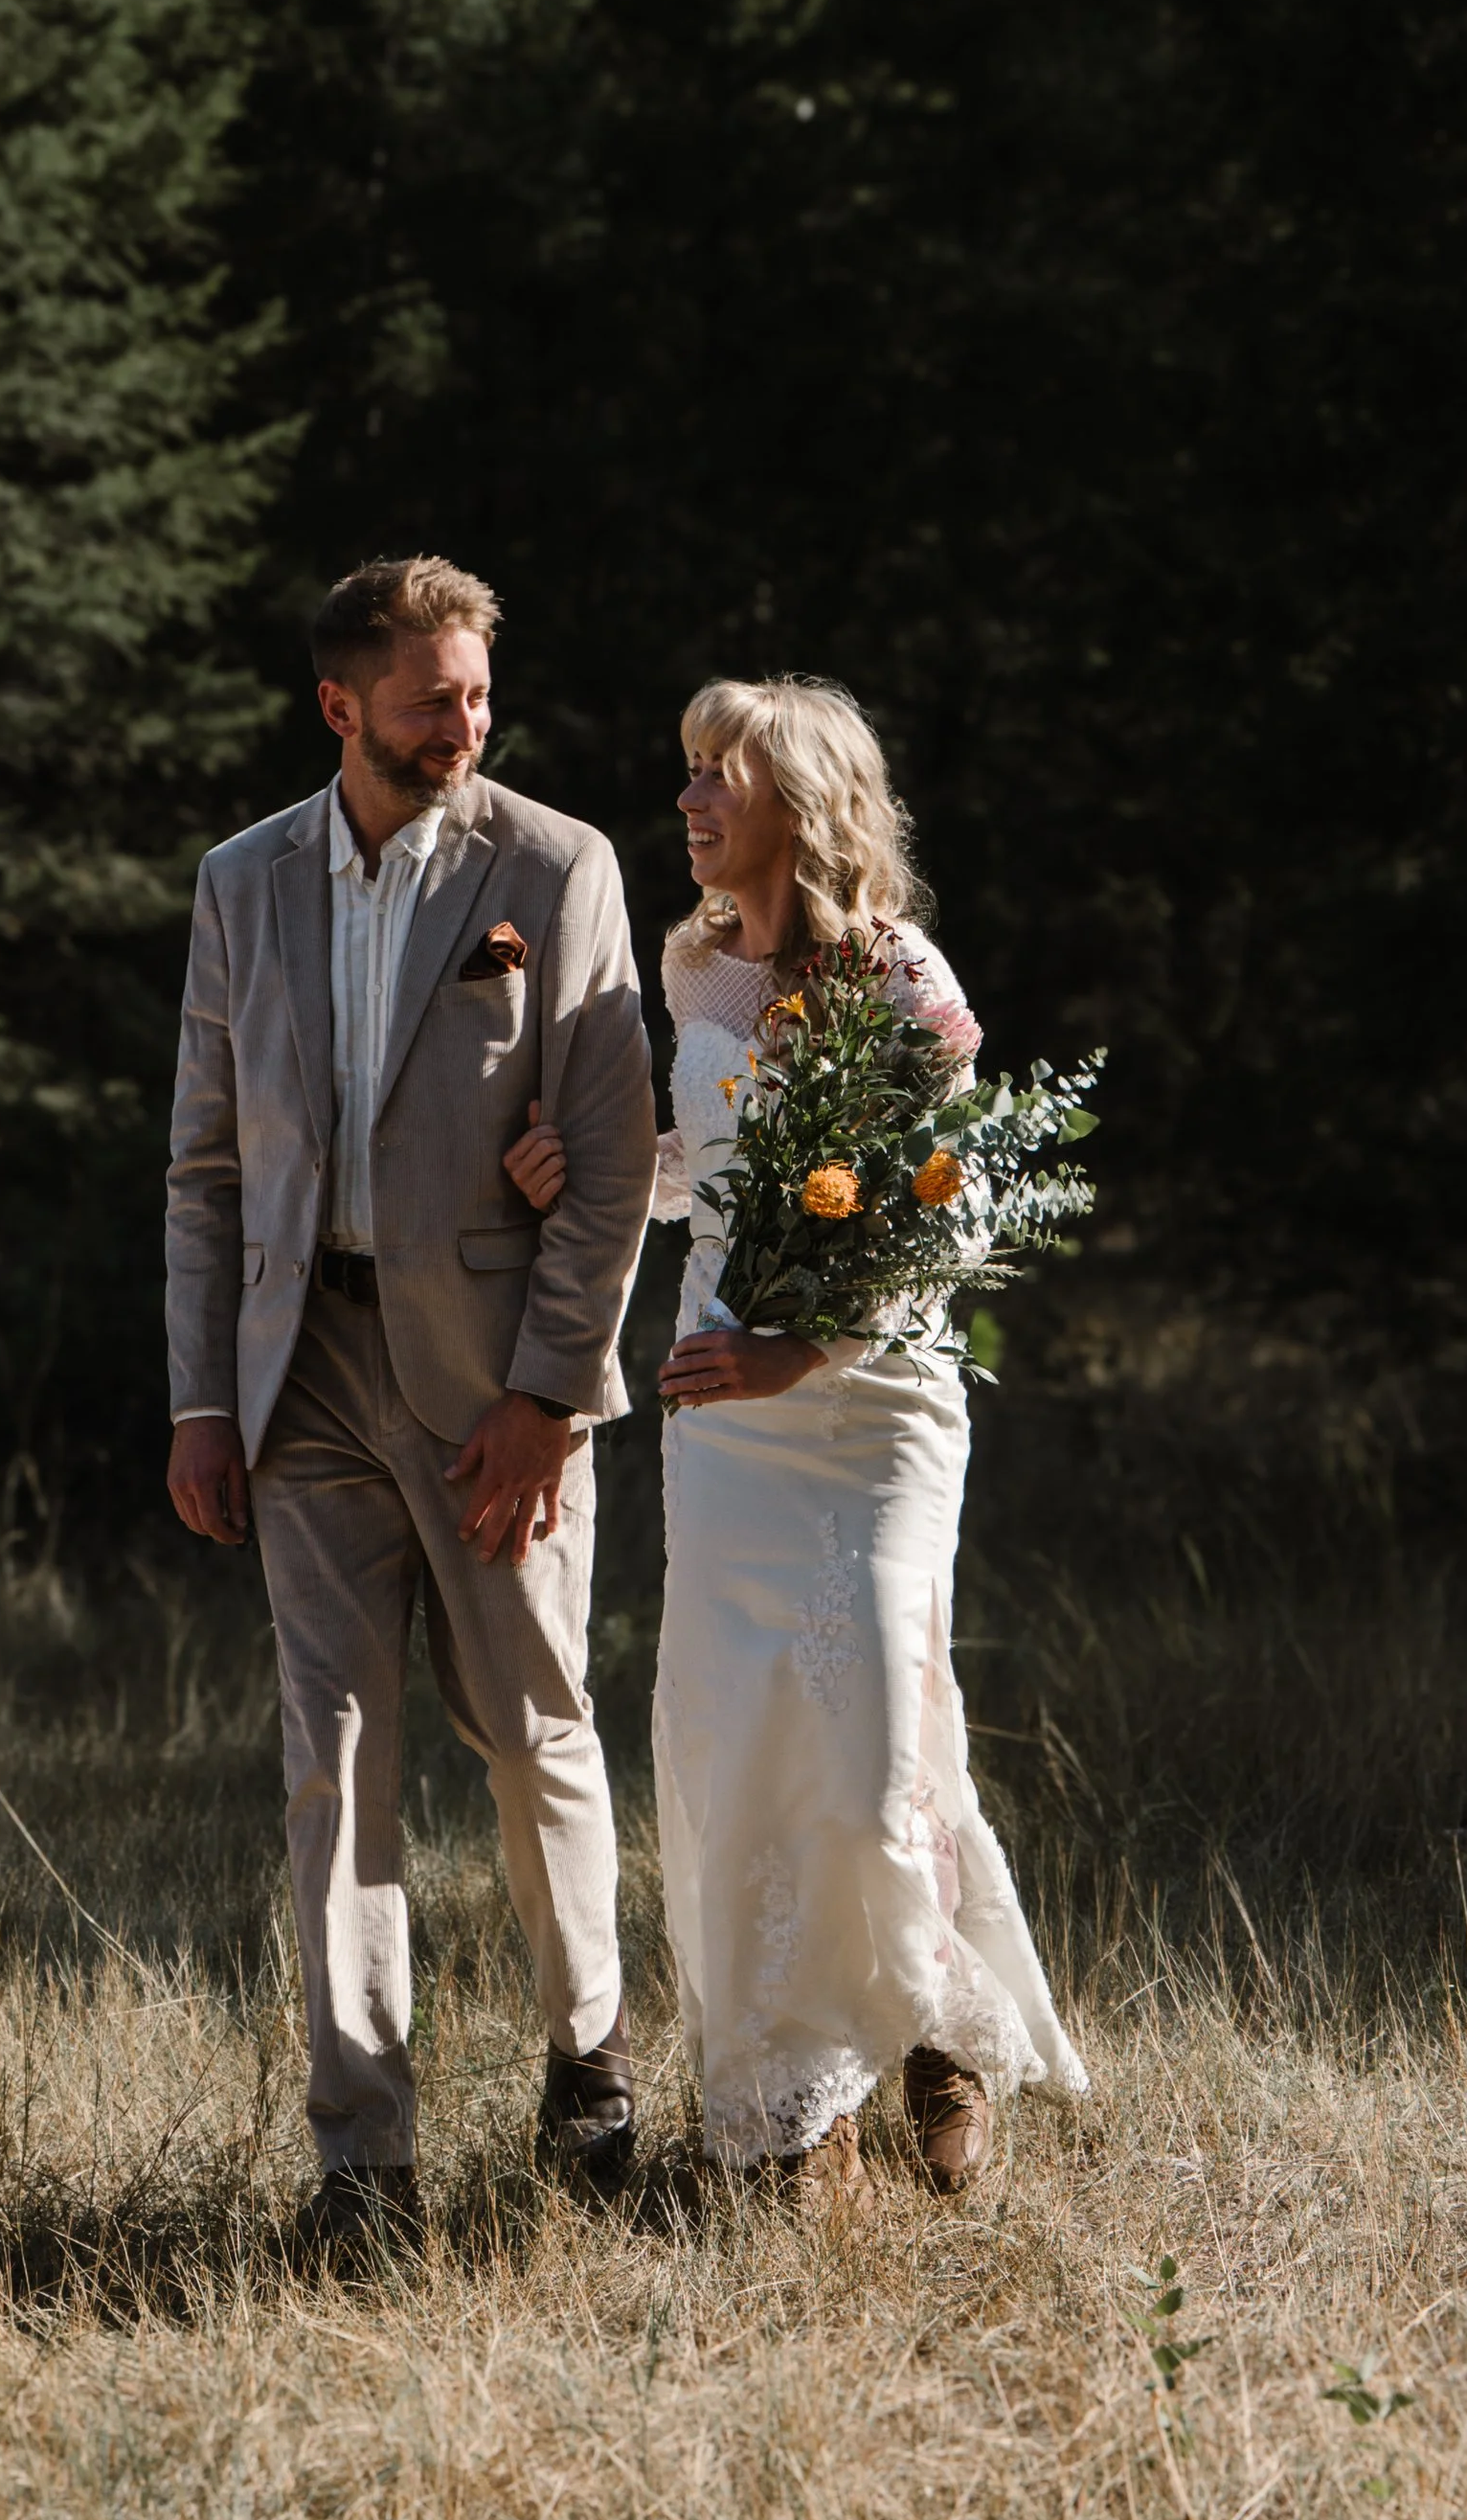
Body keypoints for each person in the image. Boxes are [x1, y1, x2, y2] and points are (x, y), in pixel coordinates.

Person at [503, 675, 1088, 2203]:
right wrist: (593, 1169)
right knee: (745, 1738)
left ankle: (937, 2031)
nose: (689, 799)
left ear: (800, 801)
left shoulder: (899, 974)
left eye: (720, 774)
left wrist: (804, 1347)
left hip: (874, 1407)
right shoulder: (693, 966)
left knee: (877, 1726)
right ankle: (787, 2104)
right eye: (687, 768)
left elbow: (952, 1209)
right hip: (723, 1417)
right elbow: (705, 1170)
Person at [165, 556, 659, 2263]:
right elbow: (207, 1165)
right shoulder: (242, 880)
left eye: (480, 695)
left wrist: (549, 1397)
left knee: (532, 1730)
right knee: (333, 1762)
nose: (468, 724)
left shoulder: (558, 867)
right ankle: (363, 2164)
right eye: (434, 698)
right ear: (340, 706)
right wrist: (200, 1397)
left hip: (493, 1387)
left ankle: (589, 2067)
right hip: (300, 1373)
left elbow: (608, 1166)